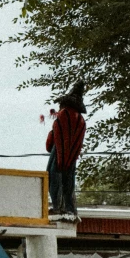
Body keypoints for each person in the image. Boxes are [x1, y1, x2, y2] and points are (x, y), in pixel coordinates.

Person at [46, 80, 87, 220]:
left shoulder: (63, 116)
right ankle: (69, 208)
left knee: (53, 177)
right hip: (72, 157)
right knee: (69, 182)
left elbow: (52, 141)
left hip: (59, 153)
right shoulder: (81, 121)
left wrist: (51, 135)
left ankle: (58, 207)